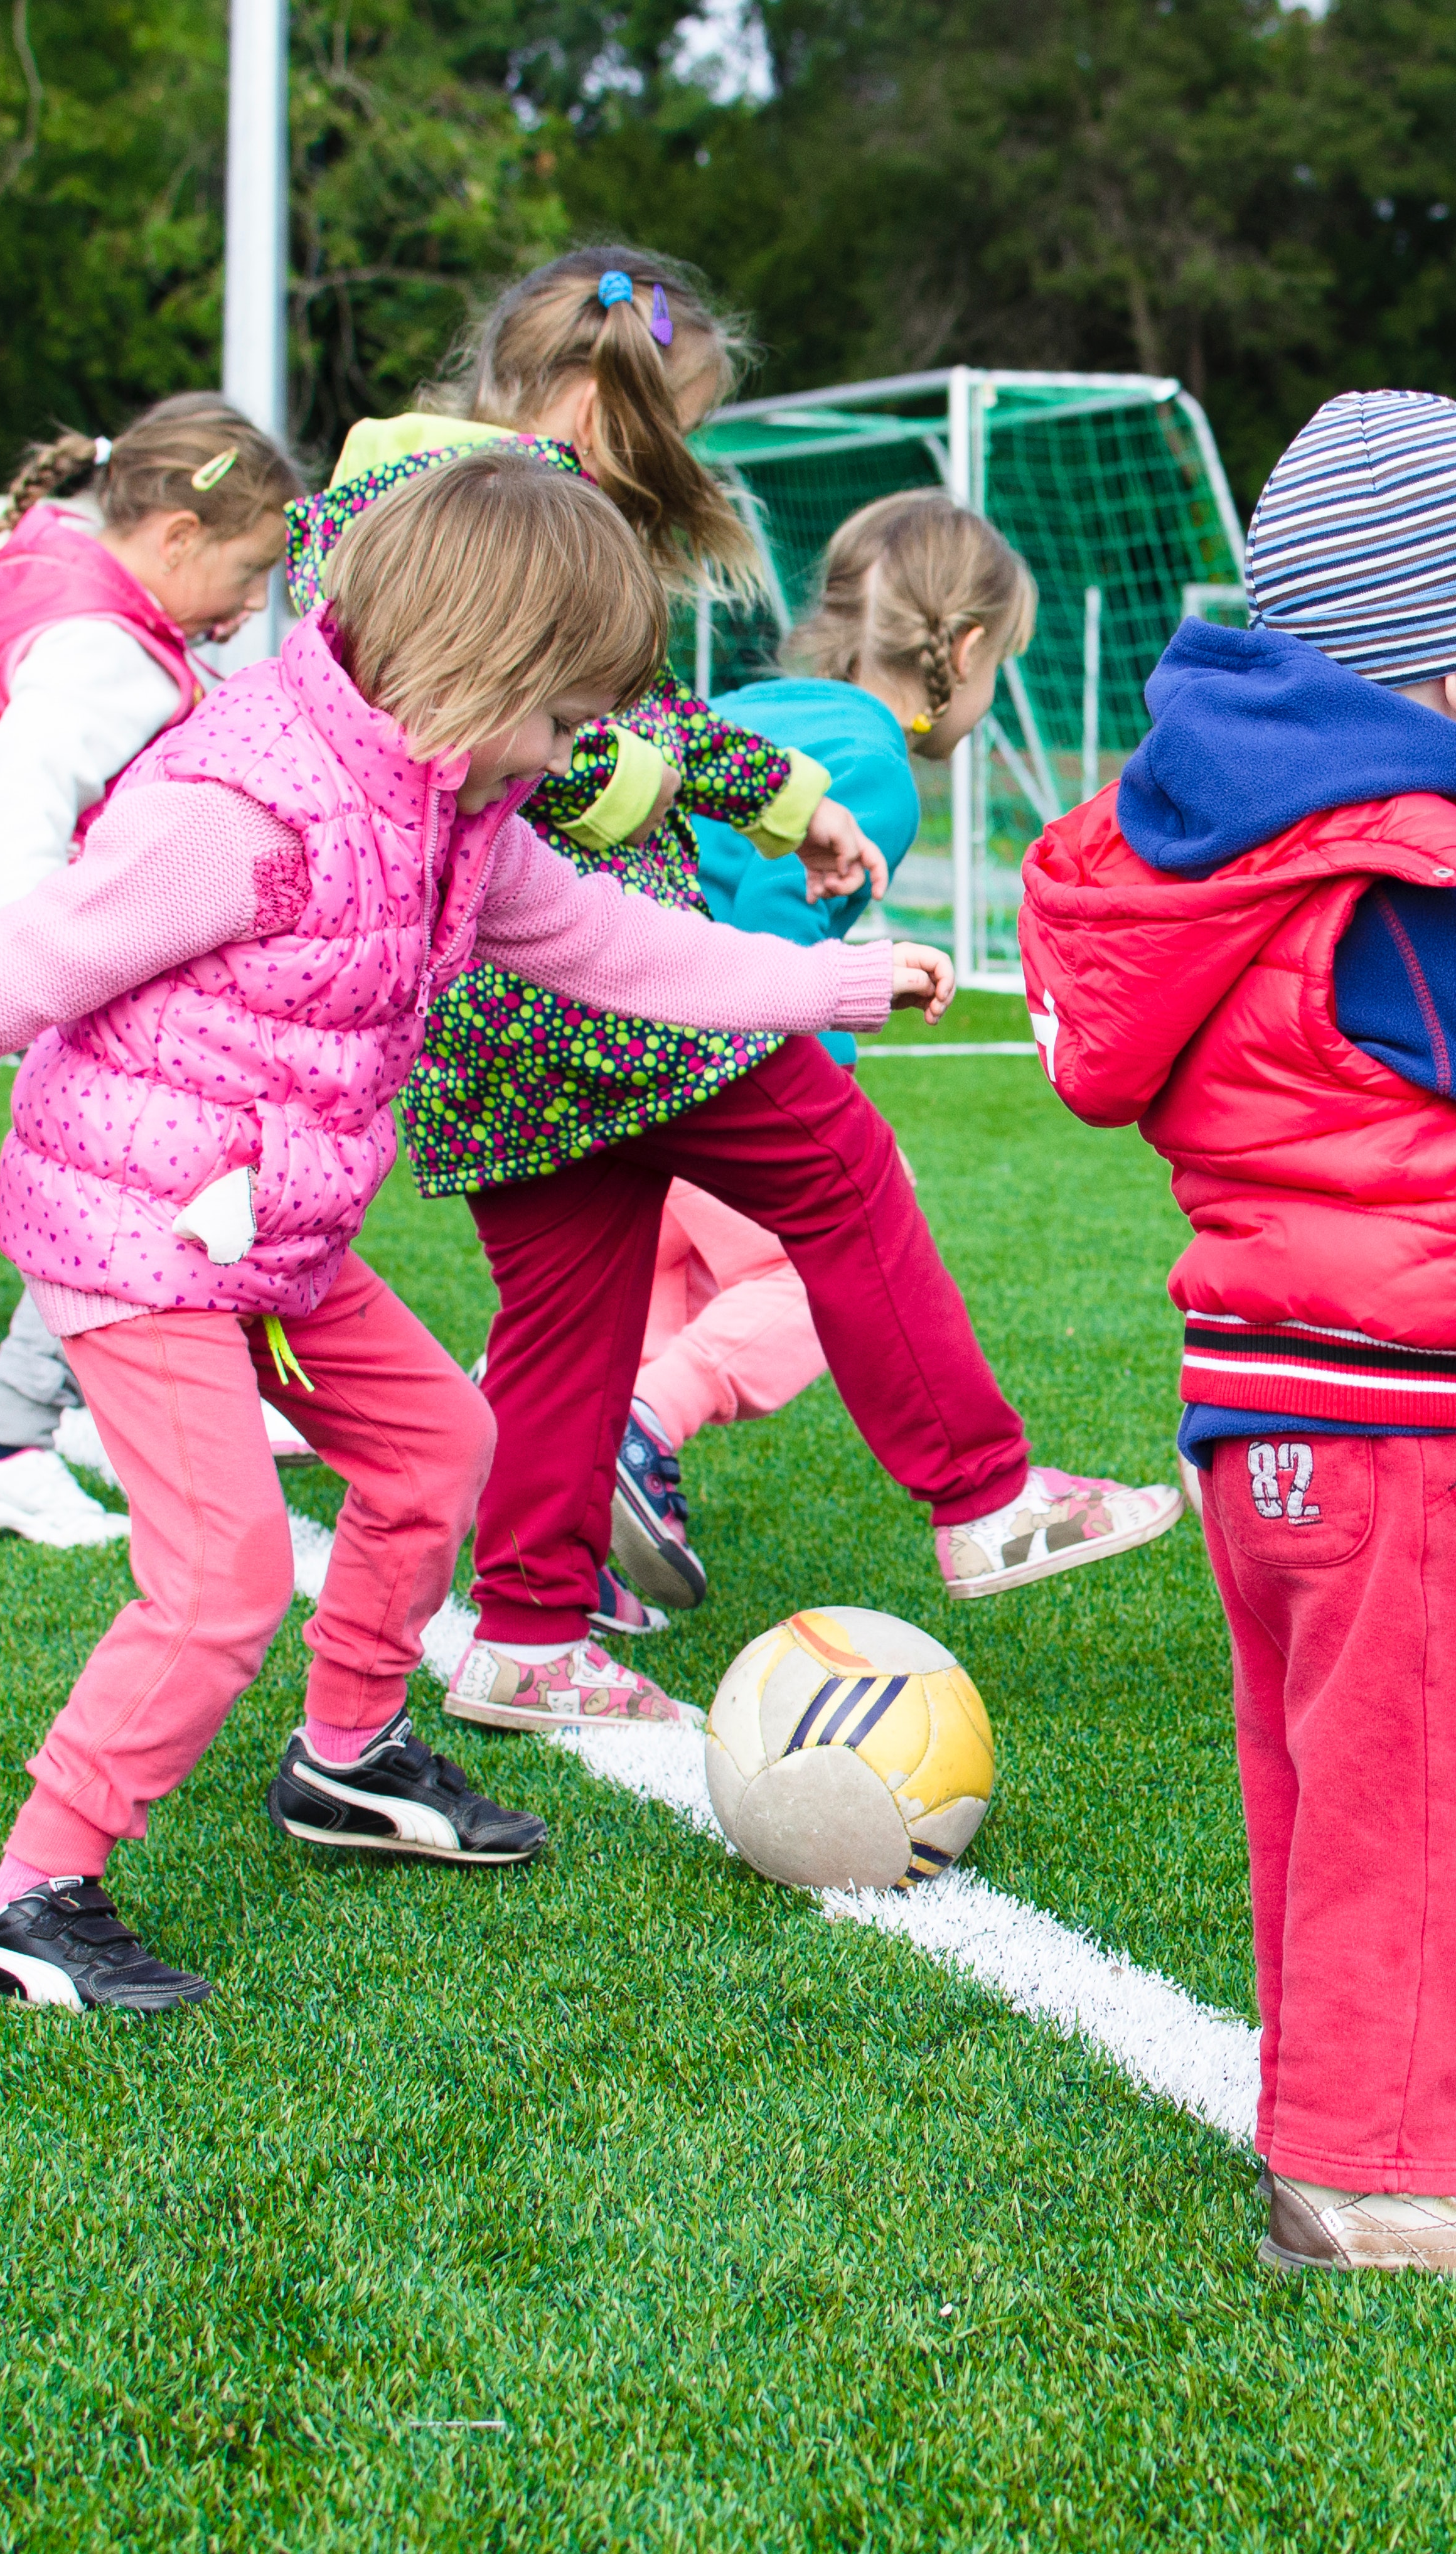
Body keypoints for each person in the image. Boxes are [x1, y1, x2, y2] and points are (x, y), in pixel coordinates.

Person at [0, 449, 958, 2013]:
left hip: (273, 1235)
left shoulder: (455, 803)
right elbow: (4, 976)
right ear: (480, 669)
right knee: (222, 1577)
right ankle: (25, 1897)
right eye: (568, 720)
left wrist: (832, 982)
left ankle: (348, 1759)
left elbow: (610, 945)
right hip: (139, 1236)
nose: (579, 756)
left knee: (443, 1446)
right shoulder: (241, 811)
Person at [289, 246, 1175, 1739]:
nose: (676, 465)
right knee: (839, 1169)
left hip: (487, 1020)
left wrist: (791, 804)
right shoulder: (485, 515)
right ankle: (984, 1493)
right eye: (668, 428)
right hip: (602, 986)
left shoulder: (401, 497)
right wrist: (662, 803)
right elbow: (540, 747)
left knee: (573, 1311)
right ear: (589, 398)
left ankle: (525, 1631)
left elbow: (637, 712)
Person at [1020, 390, 1456, 2275]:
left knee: (1335, 1788)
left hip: (1283, 1404)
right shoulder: (1402, 865)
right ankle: (1380, 2167)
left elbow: (1360, 1109)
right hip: (1389, 1430)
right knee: (1432, 1793)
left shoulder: (1264, 844)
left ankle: (1358, 2098)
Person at [598, 490, 1034, 1618]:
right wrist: (818, 1109)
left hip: (596, 1050)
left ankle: (568, 1503)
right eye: (1005, 664)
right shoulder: (872, 768)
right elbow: (770, 950)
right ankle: (645, 1425)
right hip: (698, 1057)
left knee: (651, 1278)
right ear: (967, 650)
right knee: (815, 1259)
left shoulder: (746, 708)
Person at [0, 394, 311, 1551]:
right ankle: (7, 1442)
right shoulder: (101, 653)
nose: (250, 612)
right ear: (178, 540)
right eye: (247, 574)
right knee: (133, 1206)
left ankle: (44, 1429)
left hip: (93, 977)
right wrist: (63, 969)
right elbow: (26, 831)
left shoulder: (104, 620)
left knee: (147, 1200)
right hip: (92, 984)